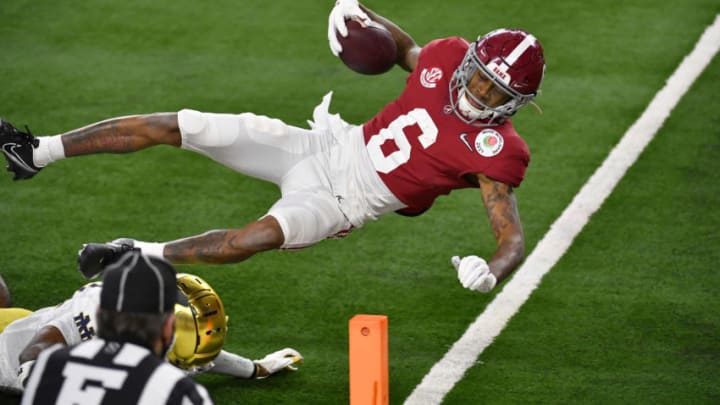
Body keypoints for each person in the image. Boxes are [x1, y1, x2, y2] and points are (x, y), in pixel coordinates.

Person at [0, 0, 545, 294]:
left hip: (345, 203)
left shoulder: (499, 151)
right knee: (182, 124)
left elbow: (510, 234)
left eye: (496, 91)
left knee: (255, 237)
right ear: (469, 59)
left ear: (516, 102)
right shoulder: (447, 57)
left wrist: (493, 269)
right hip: (325, 143)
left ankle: (134, 253)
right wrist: (357, 11)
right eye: (478, 76)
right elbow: (404, 48)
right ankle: (36, 151)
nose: (478, 91)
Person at [0, 264, 302, 396]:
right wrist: (35, 373)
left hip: (26, 322)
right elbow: (40, 345)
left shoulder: (175, 341)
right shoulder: (98, 311)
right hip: (8, 357)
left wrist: (256, 368)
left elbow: (203, 357)